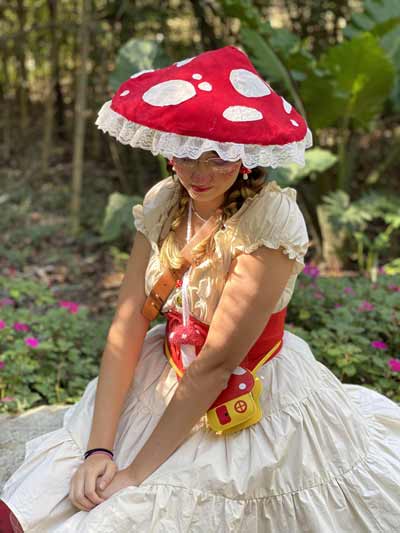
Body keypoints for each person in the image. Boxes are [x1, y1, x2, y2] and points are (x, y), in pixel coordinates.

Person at [1, 45, 399, 533]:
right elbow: (128, 322)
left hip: (237, 384)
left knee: (141, 507)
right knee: (58, 493)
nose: (199, 173)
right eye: (187, 152)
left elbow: (214, 364)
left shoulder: (268, 222)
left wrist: (133, 474)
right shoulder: (165, 201)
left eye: (218, 156)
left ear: (245, 155)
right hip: (161, 369)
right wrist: (100, 448)